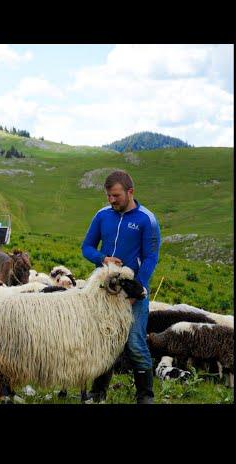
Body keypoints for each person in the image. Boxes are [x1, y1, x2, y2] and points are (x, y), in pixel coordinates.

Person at [81, 170, 160, 404]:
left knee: (135, 342)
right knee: (103, 340)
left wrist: (138, 288)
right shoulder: (102, 215)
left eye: (115, 195)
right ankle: (97, 392)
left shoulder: (147, 219)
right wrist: (103, 259)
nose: (111, 200)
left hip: (133, 292)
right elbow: (87, 247)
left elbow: (150, 258)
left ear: (130, 192)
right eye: (108, 196)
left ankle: (145, 396)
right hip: (105, 291)